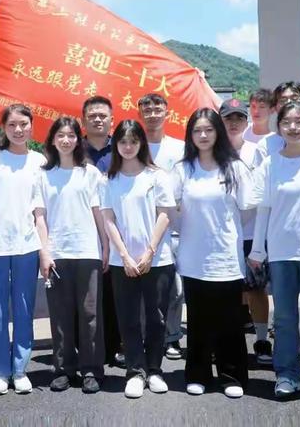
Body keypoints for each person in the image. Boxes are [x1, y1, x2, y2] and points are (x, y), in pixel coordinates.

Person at [249, 101, 300, 399]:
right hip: (281, 254)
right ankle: (287, 375)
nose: (293, 127)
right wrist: (258, 250)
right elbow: (264, 209)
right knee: (283, 318)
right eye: (287, 122)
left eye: (299, 121)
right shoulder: (271, 164)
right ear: (278, 126)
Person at [173, 107, 254, 398]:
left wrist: (222, 229)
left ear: (218, 132)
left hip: (226, 257)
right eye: (197, 130)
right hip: (194, 258)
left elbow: (246, 211)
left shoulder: (235, 168)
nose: (203, 135)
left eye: (209, 129)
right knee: (198, 320)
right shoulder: (183, 169)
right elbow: (173, 211)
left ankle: (231, 376)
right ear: (190, 135)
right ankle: (198, 374)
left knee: (230, 321)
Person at [0, 104, 44, 395]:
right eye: (12, 124)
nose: (18, 129)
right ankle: (1, 370)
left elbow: (40, 211)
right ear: (4, 127)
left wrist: (44, 247)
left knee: (24, 308)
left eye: (23, 124)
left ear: (31, 126)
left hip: (27, 244)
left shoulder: (39, 160)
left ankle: (20, 368)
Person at [101, 120, 175, 399]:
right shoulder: (109, 179)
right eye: (123, 142)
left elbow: (165, 214)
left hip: (157, 260)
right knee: (129, 318)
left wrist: (149, 252)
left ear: (142, 143)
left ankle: (154, 370)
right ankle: (135, 371)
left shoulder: (157, 176)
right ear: (116, 145)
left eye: (134, 141)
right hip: (124, 263)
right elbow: (108, 219)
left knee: (156, 318)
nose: (128, 146)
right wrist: (123, 254)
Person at [34, 116, 106, 394]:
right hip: (57, 253)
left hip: (87, 251)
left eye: (71, 135)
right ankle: (63, 368)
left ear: (79, 140)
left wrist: (106, 246)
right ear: (52, 139)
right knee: (60, 314)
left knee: (90, 314)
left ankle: (91, 369)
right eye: (60, 135)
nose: (66, 140)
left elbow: (98, 213)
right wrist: (44, 251)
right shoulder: (43, 174)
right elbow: (39, 217)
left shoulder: (90, 173)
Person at [220, 98, 272, 366]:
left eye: (239, 118)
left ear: (246, 121)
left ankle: (262, 339)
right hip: (224, 234)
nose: (234, 123)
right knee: (229, 290)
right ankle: (230, 341)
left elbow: (265, 190)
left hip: (252, 232)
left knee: (256, 289)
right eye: (229, 118)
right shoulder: (213, 152)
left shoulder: (257, 151)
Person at [137, 93, 185, 361]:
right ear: (140, 112)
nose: (152, 113)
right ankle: (145, 336)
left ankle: (172, 337)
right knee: (144, 291)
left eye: (157, 108)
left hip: (176, 228)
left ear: (166, 112)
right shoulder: (133, 144)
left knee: (175, 290)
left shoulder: (179, 148)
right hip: (144, 229)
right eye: (147, 108)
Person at [81, 96, 123, 367]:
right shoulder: (73, 148)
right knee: (84, 294)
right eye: (92, 115)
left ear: (111, 119)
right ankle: (83, 346)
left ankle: (115, 345)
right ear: (83, 119)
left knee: (114, 291)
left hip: (117, 230)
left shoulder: (121, 149)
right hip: (81, 231)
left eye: (102, 115)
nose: (97, 119)